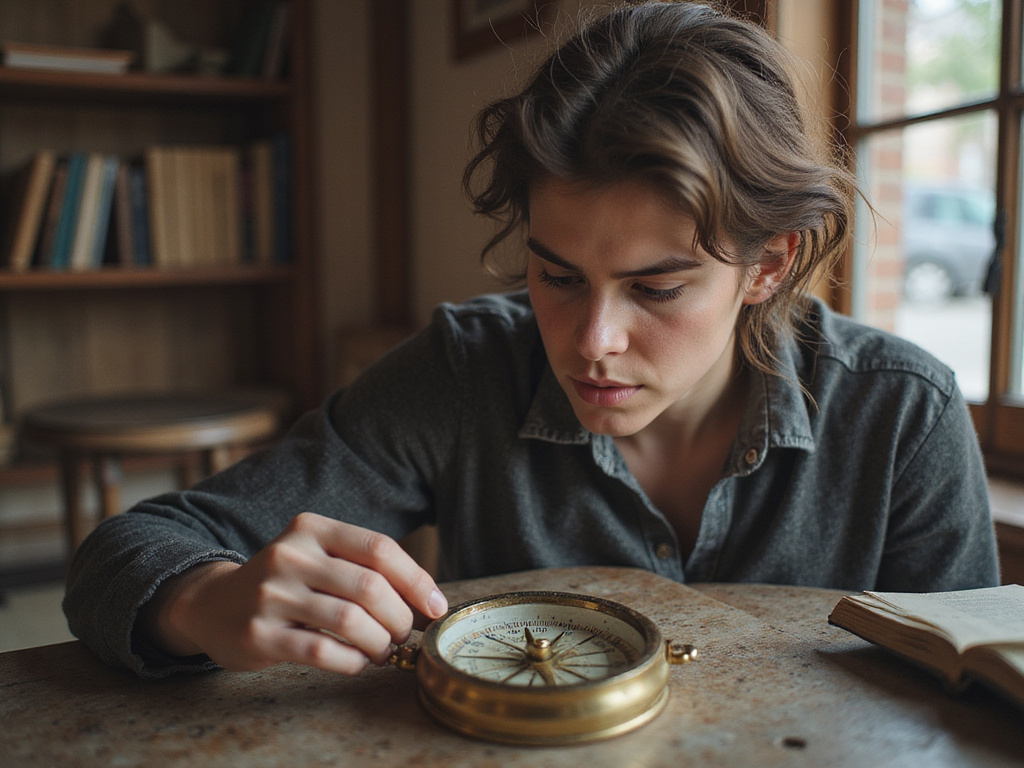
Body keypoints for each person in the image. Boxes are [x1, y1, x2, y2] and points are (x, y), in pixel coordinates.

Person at [64, 0, 999, 680]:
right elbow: (131, 548)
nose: (593, 341)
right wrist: (203, 601)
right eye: (557, 276)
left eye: (657, 287)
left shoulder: (901, 416)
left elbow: (970, 705)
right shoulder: (465, 370)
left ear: (767, 266)